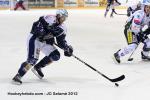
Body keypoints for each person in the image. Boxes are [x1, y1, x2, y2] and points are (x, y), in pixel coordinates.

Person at [12, 9, 73, 84]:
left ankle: (38, 67)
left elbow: (60, 41)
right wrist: (42, 32)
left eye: (65, 18)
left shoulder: (63, 28)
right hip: (35, 39)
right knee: (32, 60)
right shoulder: (49, 18)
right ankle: (19, 75)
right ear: (58, 15)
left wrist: (66, 48)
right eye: (63, 17)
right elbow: (35, 26)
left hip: (45, 42)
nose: (63, 20)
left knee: (55, 56)